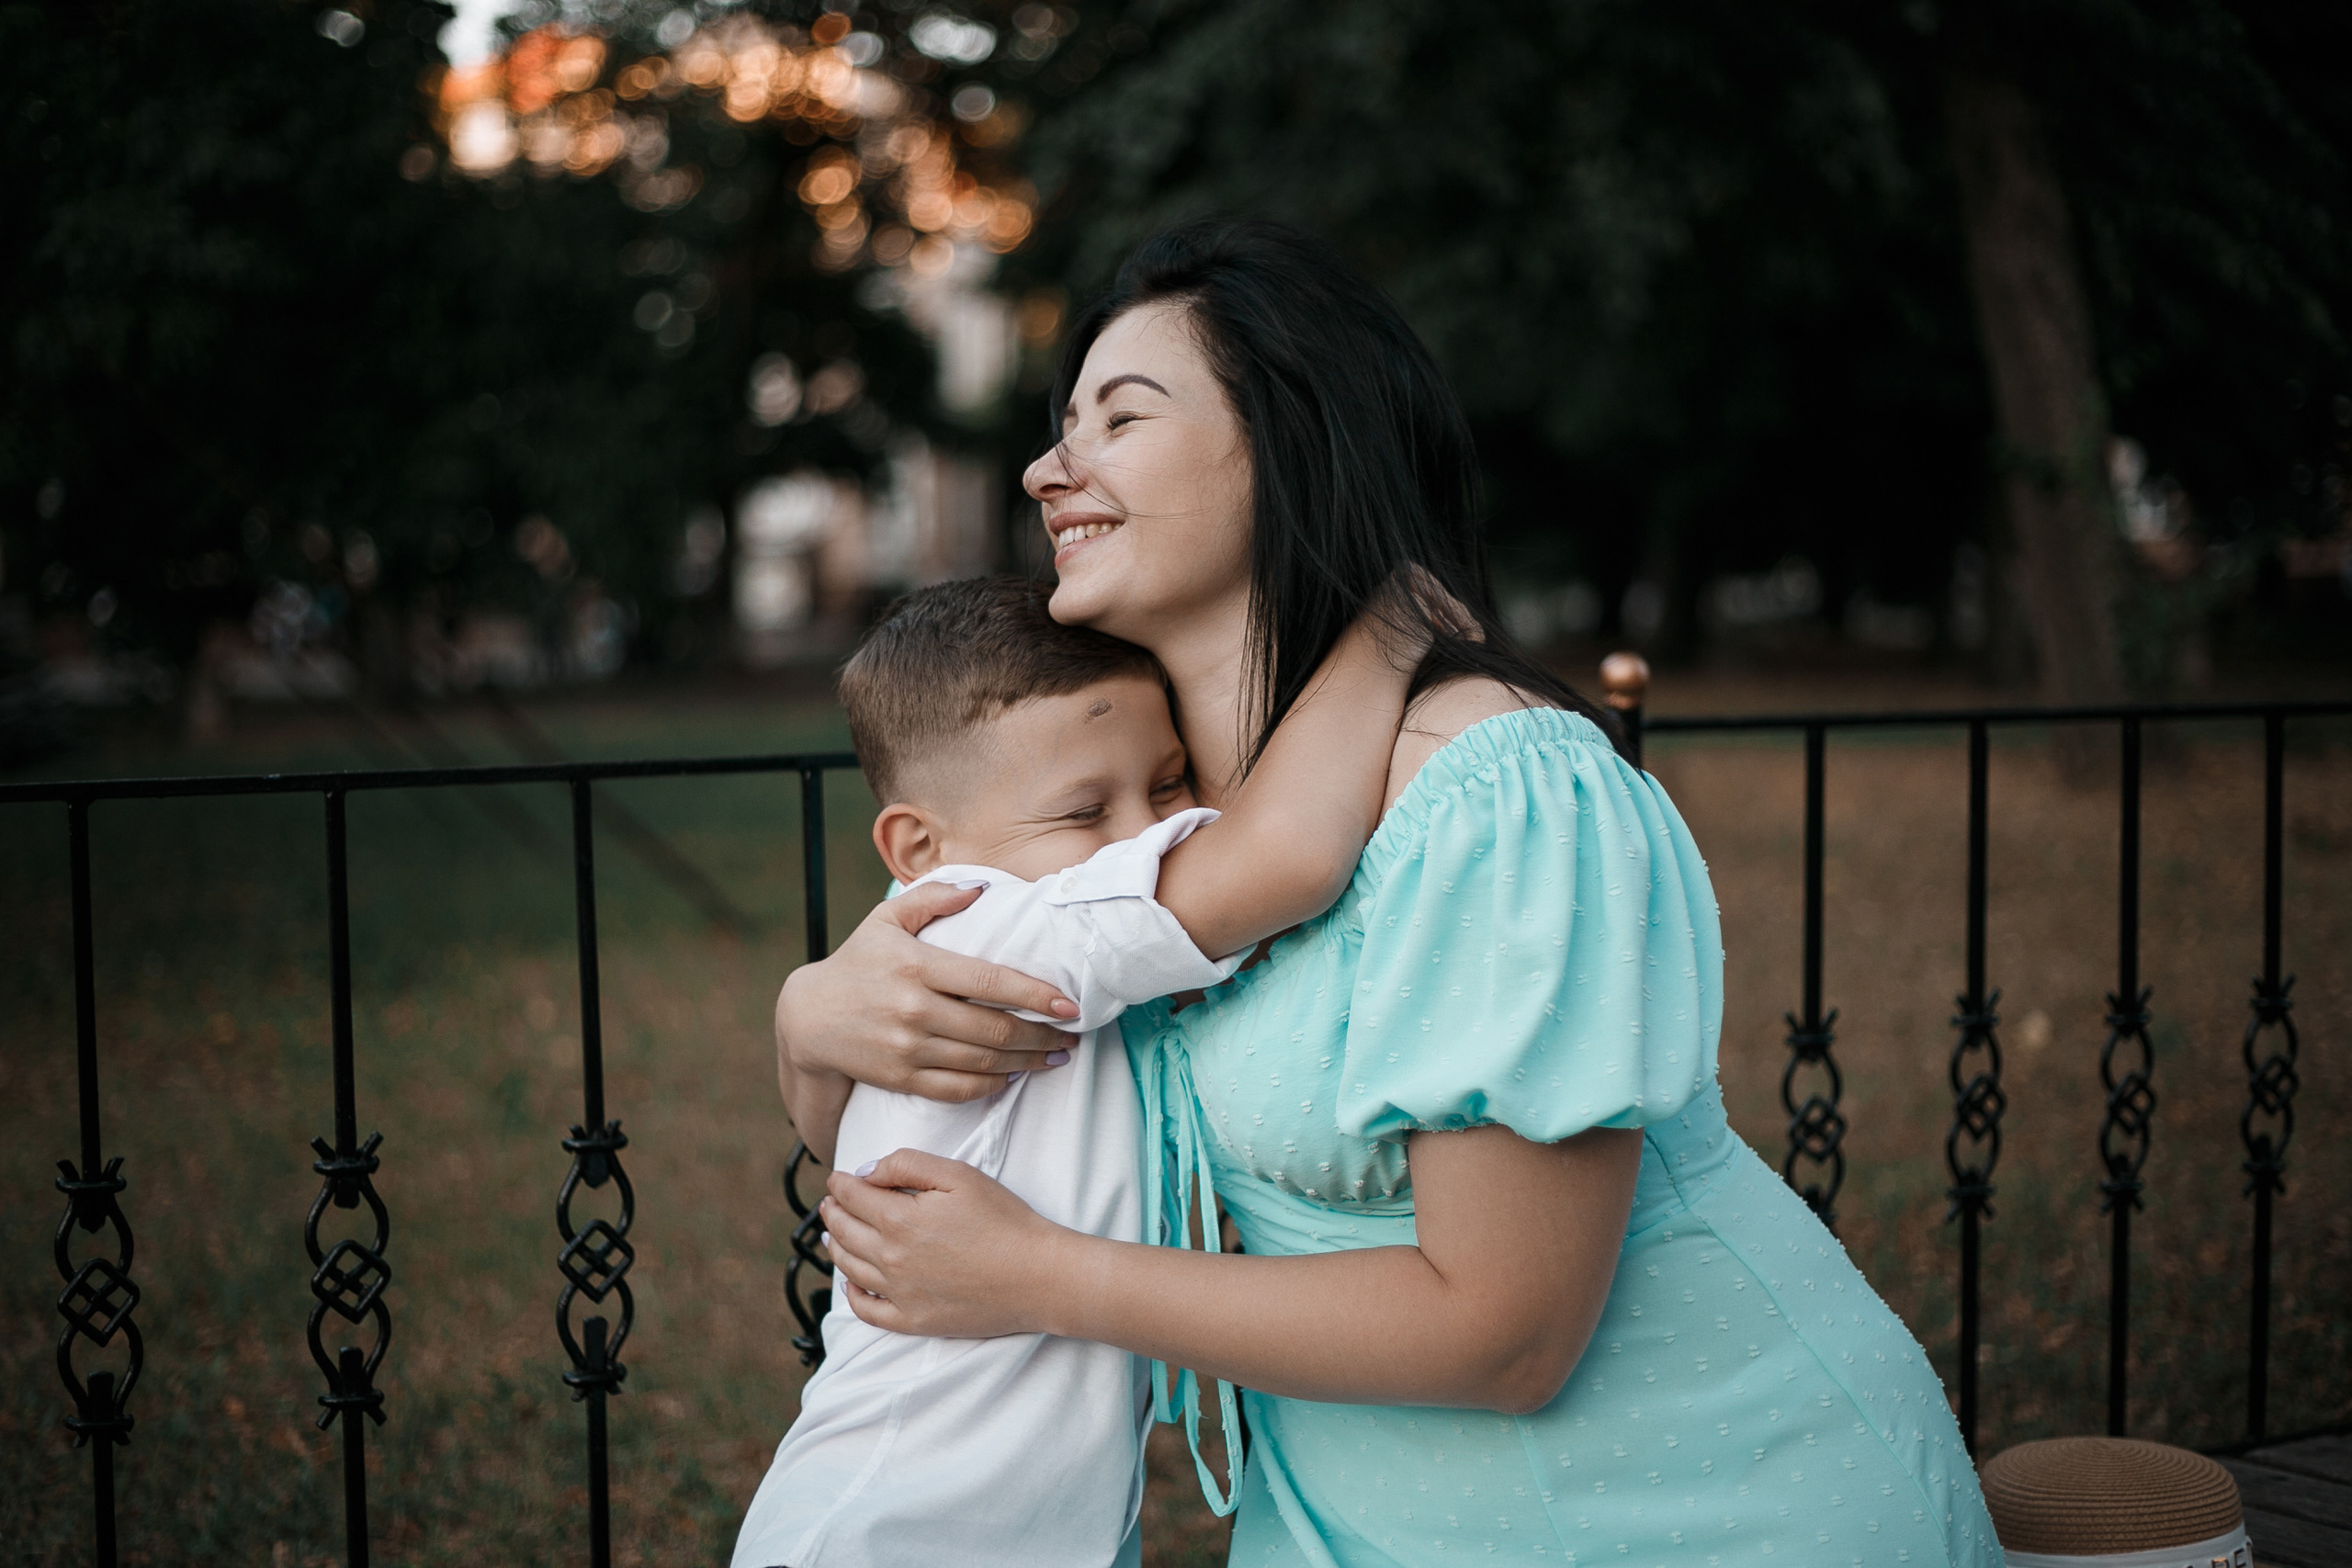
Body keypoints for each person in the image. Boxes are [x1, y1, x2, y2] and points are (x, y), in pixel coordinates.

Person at [778, 218, 2000, 1567]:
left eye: (1118, 418)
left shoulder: (1488, 788)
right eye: (1061, 423)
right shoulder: (1162, 837)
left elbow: (1511, 1329)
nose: (1045, 466)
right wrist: (809, 1014)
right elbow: (911, 1122)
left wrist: (1044, 1277)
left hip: (1702, 1514)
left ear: (1293, 445)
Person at [741, 575, 1429, 1568]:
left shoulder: (972, 960)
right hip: (886, 1527)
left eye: (1165, 784)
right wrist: (1395, 626)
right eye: (1081, 810)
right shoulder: (995, 929)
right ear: (921, 848)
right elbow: (1291, 853)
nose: (1143, 838)